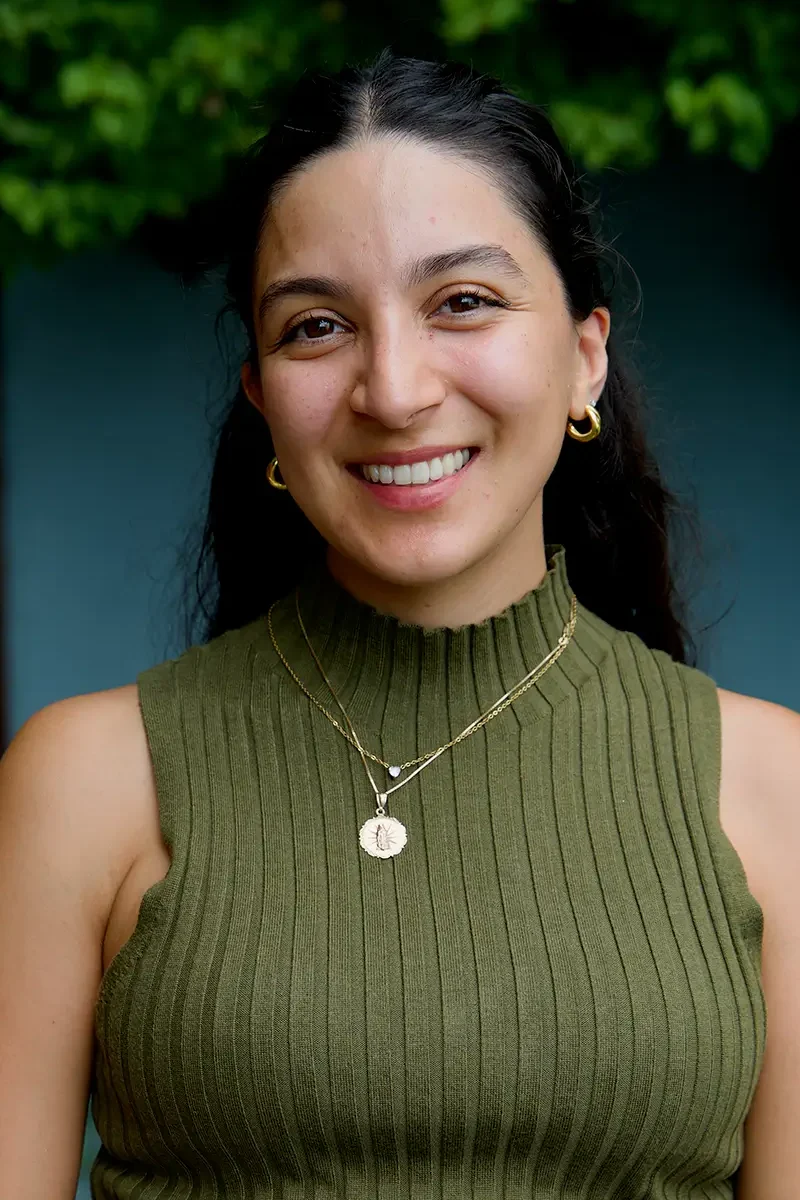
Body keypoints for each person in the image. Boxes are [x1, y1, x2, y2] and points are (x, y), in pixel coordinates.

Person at [0, 48, 798, 1200]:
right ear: (262, 399)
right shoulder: (84, 783)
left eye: (461, 302)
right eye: (316, 326)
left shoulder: (769, 792)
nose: (393, 389)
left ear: (584, 357)